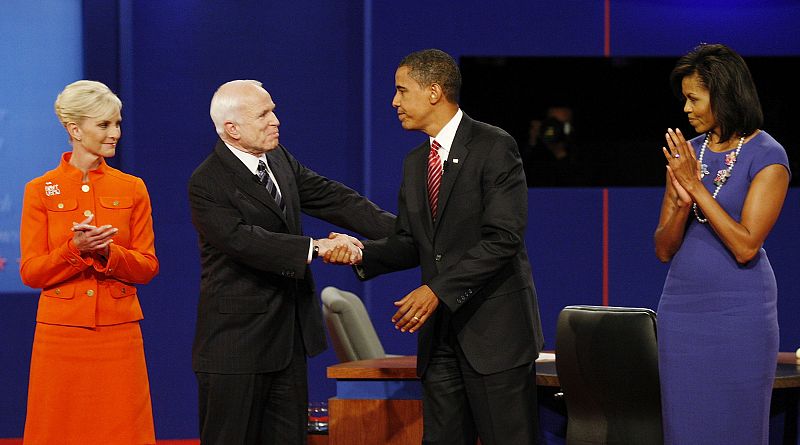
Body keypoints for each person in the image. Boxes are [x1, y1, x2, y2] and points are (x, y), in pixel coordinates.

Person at [331, 49, 543, 444]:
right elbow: (413, 242)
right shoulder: (416, 162)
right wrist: (361, 251)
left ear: (433, 91)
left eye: (401, 91)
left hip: (494, 336)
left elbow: (503, 239)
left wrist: (436, 290)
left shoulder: (494, 146)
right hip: (441, 340)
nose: (394, 102)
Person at [188, 79, 395, 445]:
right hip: (236, 345)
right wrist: (317, 248)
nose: (276, 120)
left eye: (274, 110)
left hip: (288, 337)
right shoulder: (207, 182)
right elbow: (243, 240)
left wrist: (407, 232)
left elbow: (334, 198)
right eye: (264, 114)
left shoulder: (278, 159)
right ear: (232, 129)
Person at [654, 44, 791, 444]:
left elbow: (746, 245)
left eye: (694, 98)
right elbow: (663, 249)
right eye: (684, 99)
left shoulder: (768, 156)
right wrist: (680, 206)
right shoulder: (686, 155)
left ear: (725, 94)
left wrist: (695, 188)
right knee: (684, 428)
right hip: (682, 311)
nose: (686, 109)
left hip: (740, 313)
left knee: (738, 427)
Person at [19, 80, 159, 444]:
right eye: (104, 125)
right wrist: (75, 249)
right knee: (57, 430)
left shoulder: (132, 188)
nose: (115, 133)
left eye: (117, 123)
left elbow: (147, 266)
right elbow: (31, 272)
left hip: (118, 332)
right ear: (75, 129)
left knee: (124, 430)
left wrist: (106, 253)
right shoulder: (39, 190)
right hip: (60, 335)